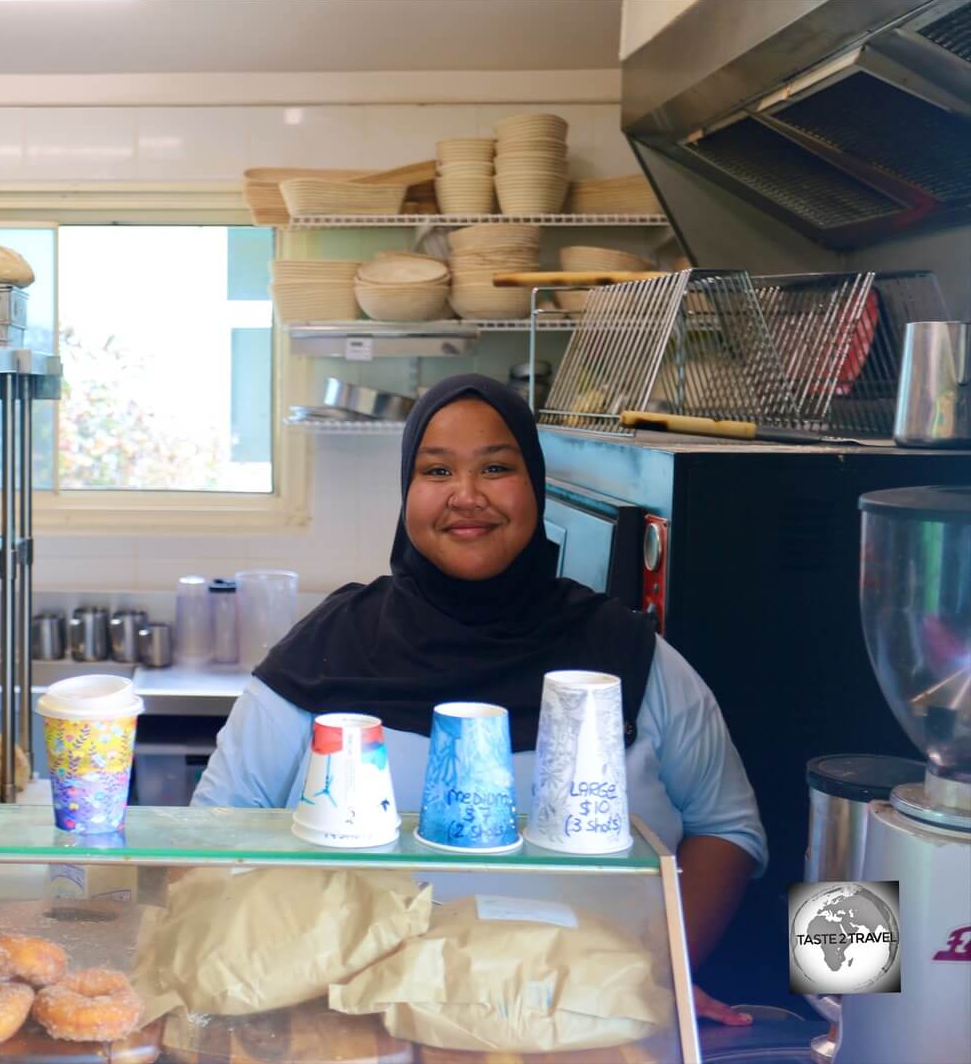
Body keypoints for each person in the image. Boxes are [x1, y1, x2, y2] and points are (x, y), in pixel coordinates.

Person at [193, 374, 765, 1026]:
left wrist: (656, 975)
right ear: (407, 490)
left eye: (496, 466)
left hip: (583, 1030)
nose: (466, 496)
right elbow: (209, 836)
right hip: (354, 1029)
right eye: (437, 469)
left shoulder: (628, 656)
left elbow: (727, 827)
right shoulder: (326, 649)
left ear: (535, 485)